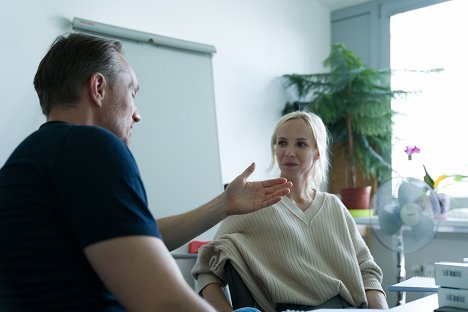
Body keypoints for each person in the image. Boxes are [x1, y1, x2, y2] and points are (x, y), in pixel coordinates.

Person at [0, 33, 292, 312]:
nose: (137, 113)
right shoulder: (90, 144)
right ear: (98, 88)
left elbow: (136, 239)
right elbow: (166, 303)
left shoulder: (33, 155)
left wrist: (223, 205)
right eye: (132, 92)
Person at [192, 111, 389, 311]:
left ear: (317, 152)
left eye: (301, 144)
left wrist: (381, 308)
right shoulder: (255, 206)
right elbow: (206, 270)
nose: (289, 152)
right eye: (282, 143)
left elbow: (367, 269)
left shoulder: (333, 206)